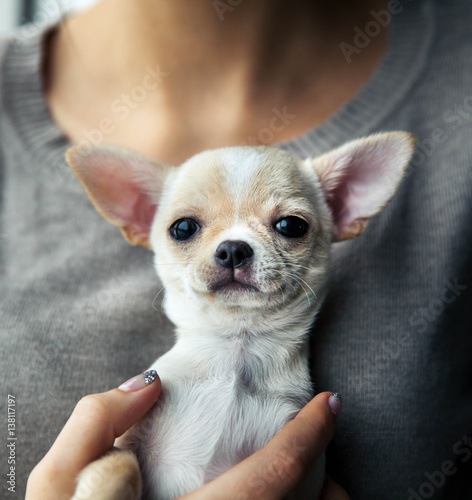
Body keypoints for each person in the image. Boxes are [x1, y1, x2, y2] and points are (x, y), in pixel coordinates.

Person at [0, 0, 471, 498]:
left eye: (287, 226)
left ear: (342, 205)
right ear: (140, 215)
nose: (231, 249)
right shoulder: (162, 391)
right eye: (186, 229)